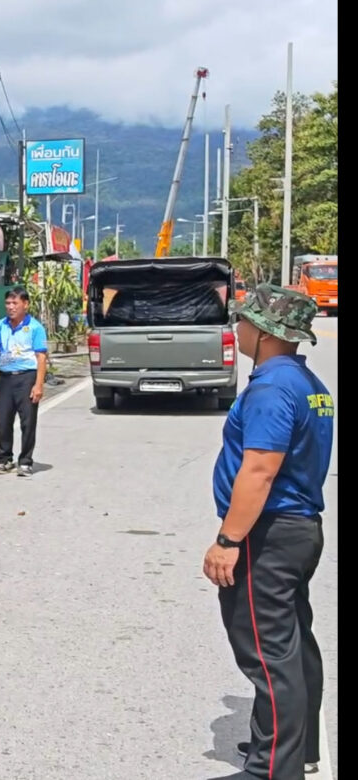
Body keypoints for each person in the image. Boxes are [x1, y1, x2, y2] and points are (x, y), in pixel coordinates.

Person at [203, 284, 332, 779]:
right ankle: (297, 749)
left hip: (269, 533)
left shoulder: (272, 388)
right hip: (297, 529)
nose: (238, 329)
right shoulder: (306, 382)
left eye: (244, 321)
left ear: (265, 332)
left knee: (268, 652)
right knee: (293, 643)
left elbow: (259, 470)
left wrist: (228, 541)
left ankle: (273, 769)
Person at [0, 287, 48, 477]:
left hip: (26, 377)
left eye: (15, 303)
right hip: (4, 378)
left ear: (25, 305)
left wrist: (38, 385)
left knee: (28, 422)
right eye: (8, 303)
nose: (11, 307)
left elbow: (41, 357)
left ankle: (25, 461)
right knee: (3, 421)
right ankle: (5, 459)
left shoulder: (35, 328)